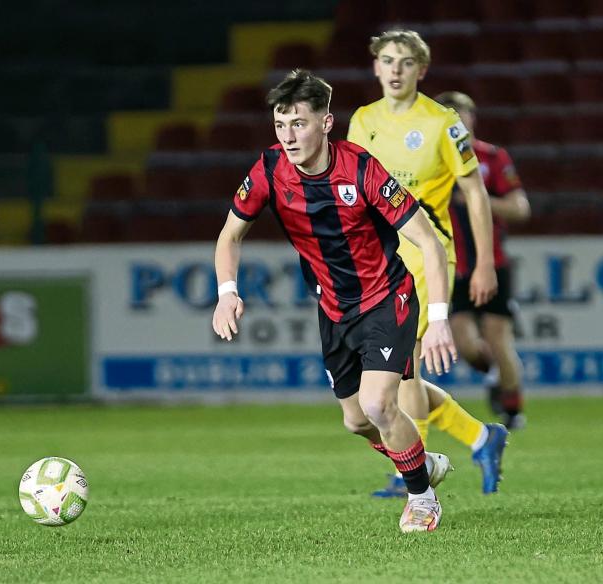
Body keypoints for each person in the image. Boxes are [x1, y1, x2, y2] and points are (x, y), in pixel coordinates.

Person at [213, 70, 457, 533]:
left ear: (326, 123)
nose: (288, 137)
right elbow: (229, 237)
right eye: (280, 125)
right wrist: (227, 292)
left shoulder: (362, 169)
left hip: (388, 298)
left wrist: (440, 318)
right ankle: (420, 463)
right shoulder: (268, 170)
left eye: (299, 124)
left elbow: (428, 242)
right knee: (356, 421)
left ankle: (422, 498)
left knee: (379, 405)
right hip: (333, 309)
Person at [347, 29, 508, 496]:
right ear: (375, 66)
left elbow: (475, 193)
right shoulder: (363, 121)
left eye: (405, 62)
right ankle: (481, 436)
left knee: (402, 365)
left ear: (422, 70)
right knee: (395, 373)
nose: (395, 70)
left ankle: (409, 474)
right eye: (388, 60)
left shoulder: (443, 123)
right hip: (376, 257)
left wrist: (483, 264)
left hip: (425, 252)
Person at [435, 91, 531, 430]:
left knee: (497, 336)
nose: (456, 123)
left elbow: (520, 209)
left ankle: (512, 408)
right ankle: (494, 374)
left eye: (460, 115)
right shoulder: (435, 164)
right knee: (464, 344)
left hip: (491, 262)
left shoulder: (492, 157)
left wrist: (475, 199)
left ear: (472, 118)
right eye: (448, 118)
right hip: (452, 265)